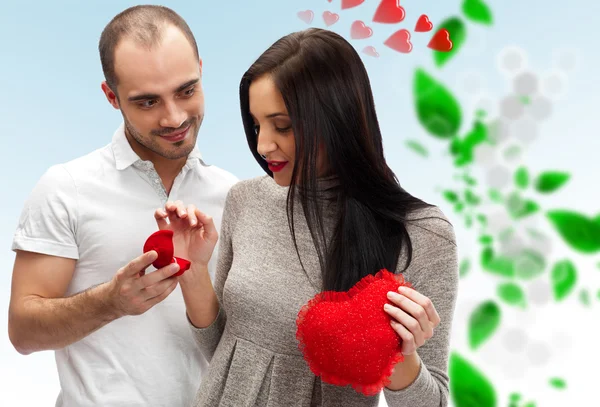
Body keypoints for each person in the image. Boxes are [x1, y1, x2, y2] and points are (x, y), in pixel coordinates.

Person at [156, 28, 459, 406]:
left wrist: (402, 353)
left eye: (282, 125)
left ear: (337, 119)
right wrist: (195, 272)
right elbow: (222, 351)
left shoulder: (421, 234)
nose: (264, 145)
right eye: (256, 125)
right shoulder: (245, 199)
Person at [8, 5, 237, 407]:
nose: (175, 117)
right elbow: (23, 332)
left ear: (201, 69)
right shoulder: (66, 189)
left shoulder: (236, 196)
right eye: (147, 102)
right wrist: (110, 301)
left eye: (187, 90)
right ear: (111, 97)